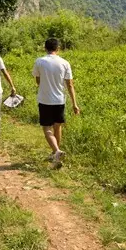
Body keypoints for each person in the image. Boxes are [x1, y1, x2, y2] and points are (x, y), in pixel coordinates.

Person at [32, 38, 80, 166]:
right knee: (57, 127)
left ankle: (56, 151)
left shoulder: (39, 62)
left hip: (44, 100)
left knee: (47, 128)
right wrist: (74, 104)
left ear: (45, 48)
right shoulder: (65, 63)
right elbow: (70, 85)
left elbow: (38, 81)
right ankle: (56, 153)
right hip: (59, 100)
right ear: (58, 49)